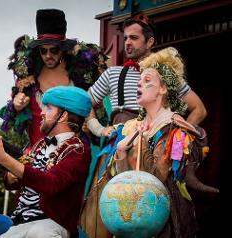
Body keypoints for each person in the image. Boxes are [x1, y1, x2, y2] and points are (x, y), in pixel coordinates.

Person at [82, 47, 218, 237]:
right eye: (138, 81)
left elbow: (156, 183)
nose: (139, 85)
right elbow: (124, 181)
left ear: (163, 89)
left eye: (147, 81)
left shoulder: (173, 127)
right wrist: (120, 153)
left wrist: (141, 146)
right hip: (132, 219)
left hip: (161, 221)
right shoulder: (129, 127)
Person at [0, 86, 92, 237]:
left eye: (48, 108)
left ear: (63, 116)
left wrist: (5, 159)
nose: (42, 112)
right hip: (19, 223)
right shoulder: (39, 145)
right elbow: (11, 183)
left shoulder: (78, 149)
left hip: (50, 225)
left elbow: (50, 184)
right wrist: (11, 174)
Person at [0, 9, 107, 149]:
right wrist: (17, 104)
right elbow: (13, 115)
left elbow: (93, 108)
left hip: (72, 152)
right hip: (37, 153)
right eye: (43, 50)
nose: (48, 55)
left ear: (62, 48)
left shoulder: (81, 73)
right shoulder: (28, 75)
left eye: (54, 50)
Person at [86, 14, 207, 138]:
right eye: (126, 38)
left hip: (156, 145)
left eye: (133, 38)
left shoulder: (166, 74)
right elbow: (85, 102)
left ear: (149, 42)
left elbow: (199, 109)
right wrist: (98, 129)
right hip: (120, 145)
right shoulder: (113, 73)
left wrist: (179, 136)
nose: (127, 42)